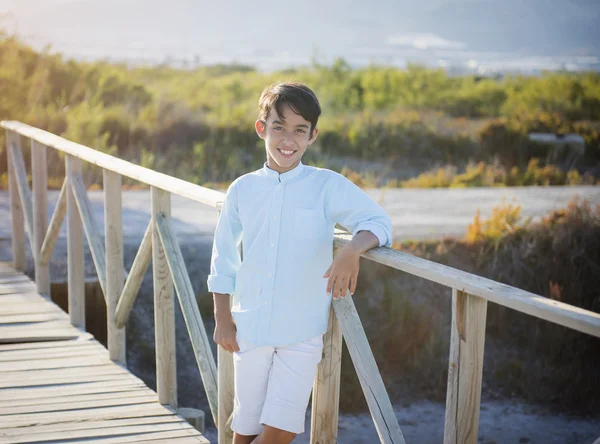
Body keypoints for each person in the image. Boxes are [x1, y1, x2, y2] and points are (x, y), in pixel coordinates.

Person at [207, 81, 392, 444]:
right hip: (250, 329)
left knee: (282, 430)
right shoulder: (243, 189)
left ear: (313, 136)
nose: (287, 139)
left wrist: (353, 250)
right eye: (279, 127)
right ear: (262, 128)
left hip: (302, 332)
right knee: (244, 429)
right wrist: (222, 319)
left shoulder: (326, 186)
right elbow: (223, 256)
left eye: (299, 130)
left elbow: (378, 222)